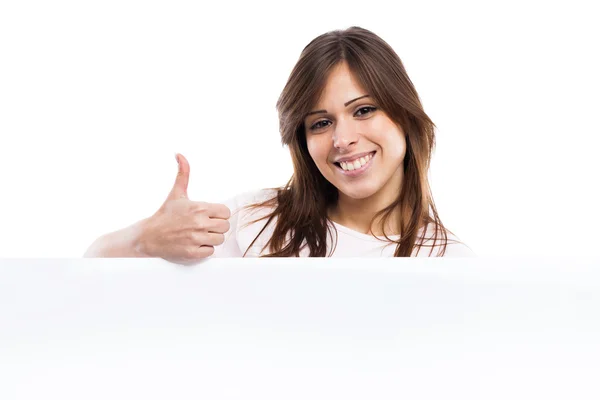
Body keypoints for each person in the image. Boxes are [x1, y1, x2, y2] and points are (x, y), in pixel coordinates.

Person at [84, 26, 475, 264]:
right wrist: (145, 238)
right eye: (320, 123)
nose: (343, 140)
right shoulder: (255, 221)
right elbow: (90, 267)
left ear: (404, 115)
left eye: (363, 110)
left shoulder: (448, 261)